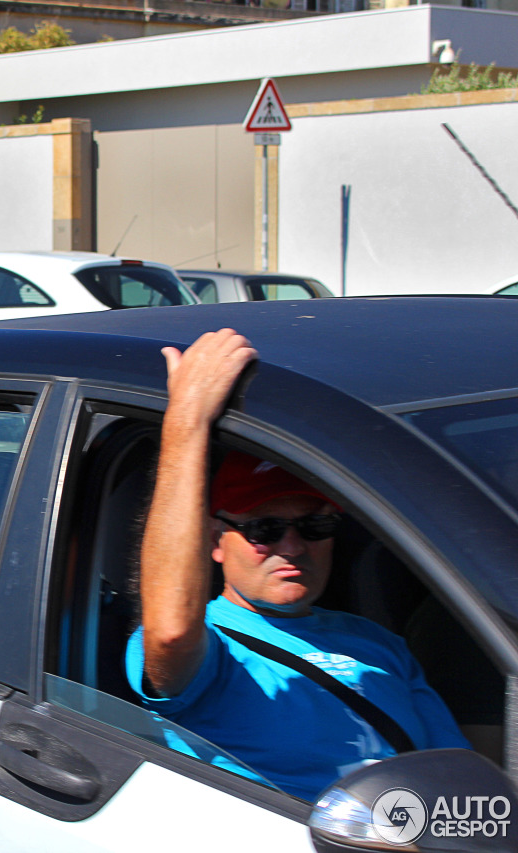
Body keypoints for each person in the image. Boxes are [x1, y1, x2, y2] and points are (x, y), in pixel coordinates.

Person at [126, 328, 469, 800]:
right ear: (214, 540)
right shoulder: (209, 648)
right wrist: (187, 422)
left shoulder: (381, 645)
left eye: (314, 526)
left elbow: (459, 784)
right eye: (264, 530)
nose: (292, 546)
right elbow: (170, 632)